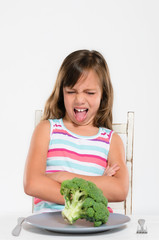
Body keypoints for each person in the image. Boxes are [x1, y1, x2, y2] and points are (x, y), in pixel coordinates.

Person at [23, 49, 129, 213]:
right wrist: (95, 191)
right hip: (50, 225)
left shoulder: (111, 140)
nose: (79, 99)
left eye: (90, 92)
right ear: (61, 93)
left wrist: (63, 177)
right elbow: (32, 184)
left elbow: (120, 190)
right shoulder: (46, 130)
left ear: (103, 95)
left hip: (92, 229)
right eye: (71, 92)